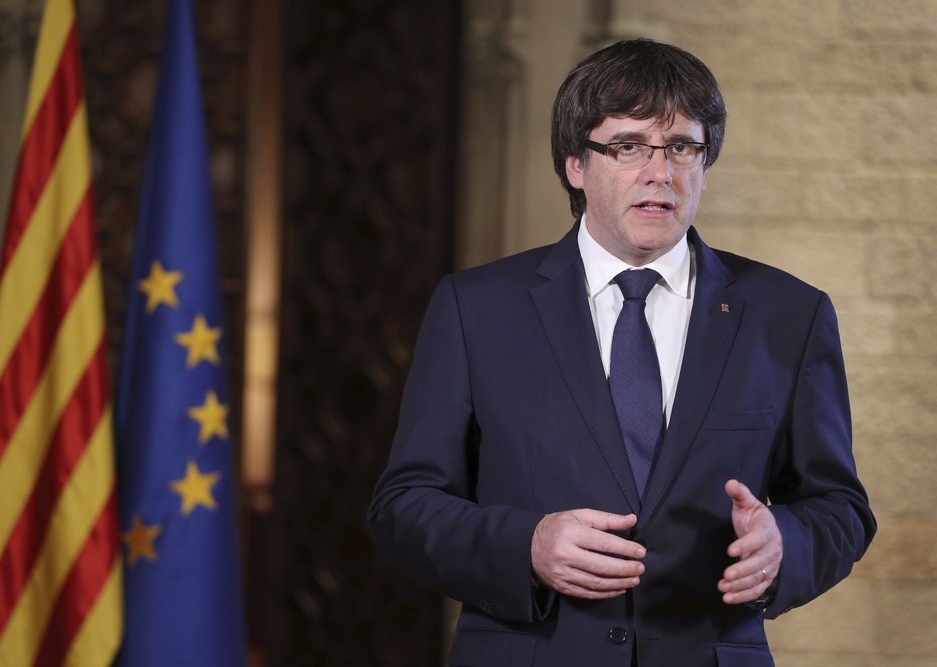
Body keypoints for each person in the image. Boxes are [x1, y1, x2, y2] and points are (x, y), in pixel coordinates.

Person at [367, 38, 875, 667]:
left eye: (683, 147)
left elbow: (840, 508)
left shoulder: (789, 315)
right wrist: (526, 544)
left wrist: (785, 546)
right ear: (576, 164)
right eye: (629, 146)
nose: (660, 173)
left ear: (705, 163)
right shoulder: (476, 308)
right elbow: (405, 505)